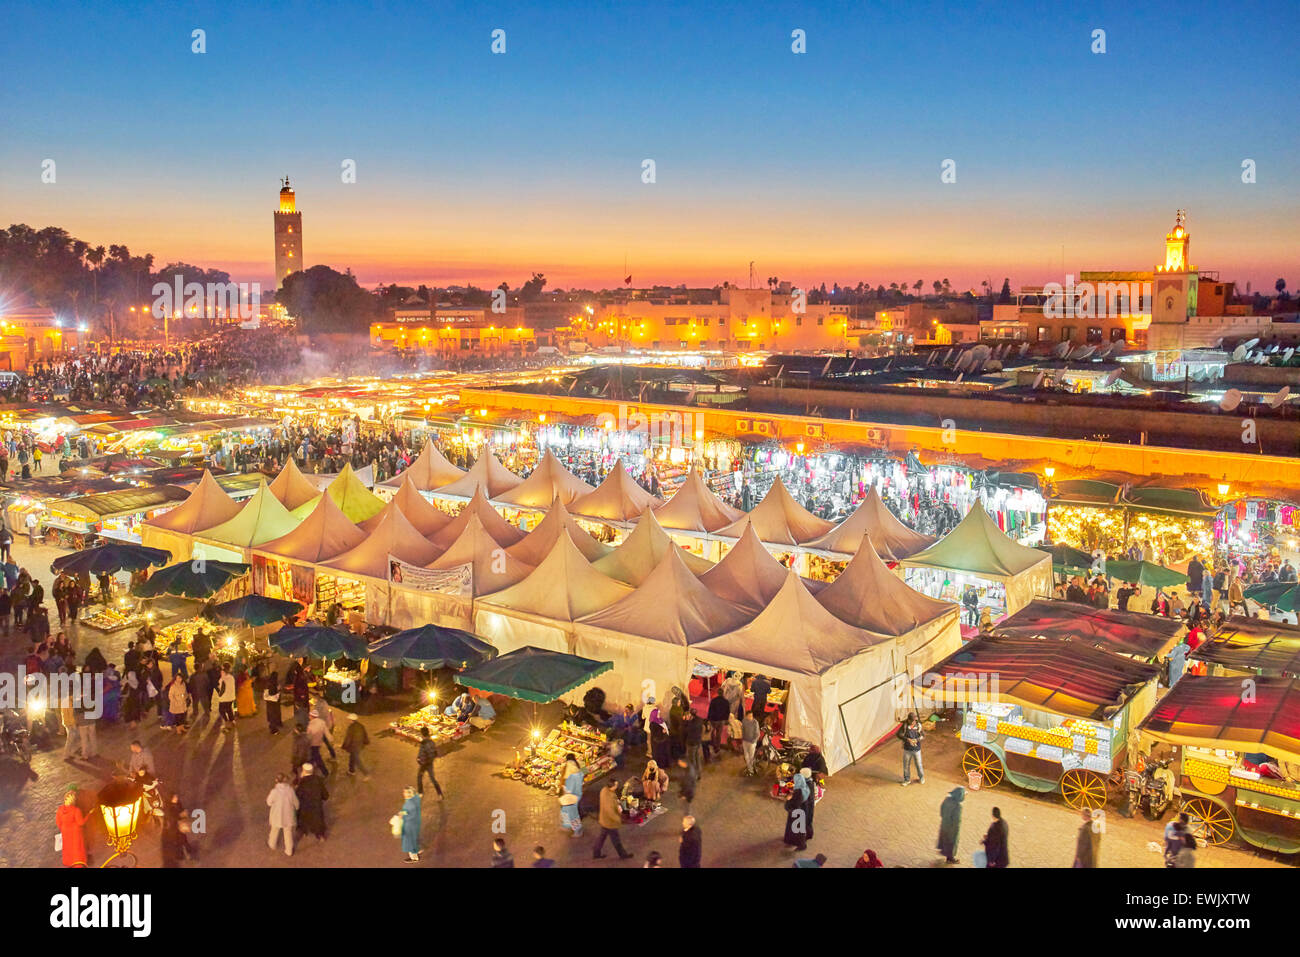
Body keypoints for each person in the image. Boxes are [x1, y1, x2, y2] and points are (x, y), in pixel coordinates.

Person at [593, 778, 633, 859]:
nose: (617, 786)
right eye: (616, 785)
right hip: (610, 822)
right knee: (616, 839)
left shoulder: (605, 790)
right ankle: (623, 855)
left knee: (602, 837)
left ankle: (596, 853)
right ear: (612, 786)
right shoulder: (609, 797)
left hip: (604, 820)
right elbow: (610, 812)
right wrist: (620, 820)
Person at [266, 773, 298, 857]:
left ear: (276, 781)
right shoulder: (290, 790)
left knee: (274, 830)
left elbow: (269, 802)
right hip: (288, 816)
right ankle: (289, 850)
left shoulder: (274, 792)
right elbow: (296, 802)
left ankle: (272, 844)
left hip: (277, 816)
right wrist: (297, 807)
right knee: (288, 833)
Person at [56, 789, 91, 866]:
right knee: (77, 849)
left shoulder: (60, 810)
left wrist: (64, 828)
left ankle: (69, 862)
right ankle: (78, 864)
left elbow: (58, 823)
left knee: (68, 848)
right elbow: (81, 822)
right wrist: (88, 815)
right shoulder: (76, 810)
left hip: (65, 832)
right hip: (76, 833)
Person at [295, 763, 329, 841]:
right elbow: (325, 794)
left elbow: (298, 795)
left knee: (303, 819)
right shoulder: (318, 780)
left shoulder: (302, 783)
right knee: (318, 820)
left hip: (305, 806)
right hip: (316, 805)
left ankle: (304, 831)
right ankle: (320, 835)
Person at [783, 769, 812, 851]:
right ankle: (793, 841)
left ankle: (801, 845)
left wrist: (788, 799)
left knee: (798, 831)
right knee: (798, 830)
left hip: (797, 814)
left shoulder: (799, 791)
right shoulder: (805, 788)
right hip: (802, 811)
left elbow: (795, 803)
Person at [937, 786, 964, 864]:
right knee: (952, 843)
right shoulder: (958, 806)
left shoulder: (947, 800)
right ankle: (950, 858)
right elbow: (957, 820)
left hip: (944, 825)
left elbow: (941, 810)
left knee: (945, 840)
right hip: (952, 829)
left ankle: (946, 854)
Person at [559, 753, 585, 837]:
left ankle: (577, 831)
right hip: (575, 793)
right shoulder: (577, 765)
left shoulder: (567, 766)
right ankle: (567, 826)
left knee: (572, 813)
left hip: (570, 794)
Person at [898, 711, 925, 785]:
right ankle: (907, 780)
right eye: (912, 721)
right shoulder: (905, 725)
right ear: (909, 720)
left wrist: (917, 739)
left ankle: (921, 778)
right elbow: (898, 734)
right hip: (907, 750)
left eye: (915, 720)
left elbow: (923, 735)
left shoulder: (918, 725)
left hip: (917, 750)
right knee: (906, 766)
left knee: (919, 765)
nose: (914, 722)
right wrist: (907, 739)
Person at [416, 726, 443, 798]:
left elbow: (423, 753)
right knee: (433, 779)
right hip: (429, 763)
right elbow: (434, 752)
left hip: (424, 764)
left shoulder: (424, 743)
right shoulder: (431, 742)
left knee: (419, 777)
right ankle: (439, 794)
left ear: (422, 734)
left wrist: (419, 759)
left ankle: (420, 792)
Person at [343, 713, 370, 778]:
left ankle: (366, 774)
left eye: (349, 719)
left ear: (351, 720)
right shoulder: (361, 726)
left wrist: (344, 746)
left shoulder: (351, 728)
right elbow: (365, 735)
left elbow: (348, 739)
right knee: (352, 758)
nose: (348, 720)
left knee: (357, 761)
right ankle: (351, 771)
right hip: (359, 746)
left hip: (354, 747)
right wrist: (366, 742)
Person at [398, 786, 421, 863]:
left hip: (410, 825)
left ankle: (414, 858)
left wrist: (402, 816)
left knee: (409, 842)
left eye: (405, 792)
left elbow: (411, 815)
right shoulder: (412, 800)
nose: (403, 793)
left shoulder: (410, 803)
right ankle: (416, 851)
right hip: (413, 825)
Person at [706, 688, 730, 760]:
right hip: (721, 720)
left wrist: (709, 719)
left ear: (718, 693)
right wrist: (726, 719)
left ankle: (714, 744)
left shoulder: (714, 701)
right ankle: (718, 746)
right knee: (719, 734)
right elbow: (727, 711)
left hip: (714, 719)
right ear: (723, 693)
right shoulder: (726, 701)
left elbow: (710, 710)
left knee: (712, 732)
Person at [306, 707, 331, 778]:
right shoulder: (322, 722)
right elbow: (326, 732)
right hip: (319, 742)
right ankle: (311, 765)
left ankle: (325, 772)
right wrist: (330, 739)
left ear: (313, 717)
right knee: (313, 756)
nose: (309, 717)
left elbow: (308, 736)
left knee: (317, 758)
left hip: (313, 744)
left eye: (310, 716)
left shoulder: (310, 725)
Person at [215, 664, 236, 731]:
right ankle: (232, 721)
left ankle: (227, 723)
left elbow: (222, 689)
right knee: (229, 709)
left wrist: (219, 695)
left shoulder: (223, 679)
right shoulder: (231, 677)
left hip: (225, 698)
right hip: (231, 697)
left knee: (221, 710)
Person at [741, 710, 760, 776]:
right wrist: (743, 738)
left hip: (752, 742)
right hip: (745, 741)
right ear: (746, 716)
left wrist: (754, 741)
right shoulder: (744, 721)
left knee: (751, 756)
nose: (750, 717)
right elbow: (743, 730)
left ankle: (750, 770)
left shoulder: (755, 723)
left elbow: (757, 733)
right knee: (746, 756)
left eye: (751, 716)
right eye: (749, 716)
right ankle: (750, 768)